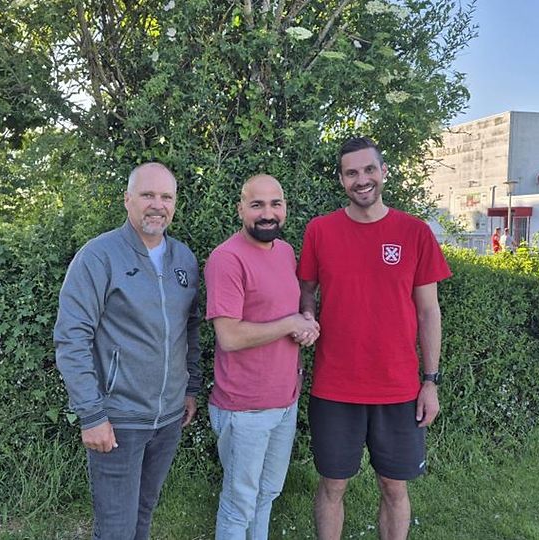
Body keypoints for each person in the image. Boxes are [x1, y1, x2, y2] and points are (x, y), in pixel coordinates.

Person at [298, 137, 452, 540]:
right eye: (352, 172)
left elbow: (428, 311)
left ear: (384, 172)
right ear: (341, 179)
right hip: (334, 387)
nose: (361, 179)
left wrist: (430, 382)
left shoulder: (414, 232)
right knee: (332, 485)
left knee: (394, 487)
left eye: (369, 169)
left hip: (398, 388)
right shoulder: (320, 231)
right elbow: (306, 291)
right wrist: (308, 318)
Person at [54, 162, 202, 540]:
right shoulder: (99, 256)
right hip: (118, 420)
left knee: (143, 514)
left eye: (166, 196)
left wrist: (190, 388)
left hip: (168, 419)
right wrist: (91, 414)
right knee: (116, 528)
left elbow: (190, 328)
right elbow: (72, 337)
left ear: (175, 203)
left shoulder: (183, 259)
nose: (157, 205)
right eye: (147, 195)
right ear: (127, 200)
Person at [204, 174, 319, 540]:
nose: (268, 213)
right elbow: (230, 335)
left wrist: (307, 321)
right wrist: (289, 323)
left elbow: (297, 301)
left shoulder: (285, 252)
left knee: (267, 493)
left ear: (285, 207)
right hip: (245, 408)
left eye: (275, 204)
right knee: (240, 502)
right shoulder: (227, 259)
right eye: (257, 205)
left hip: (285, 401)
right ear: (240, 209)